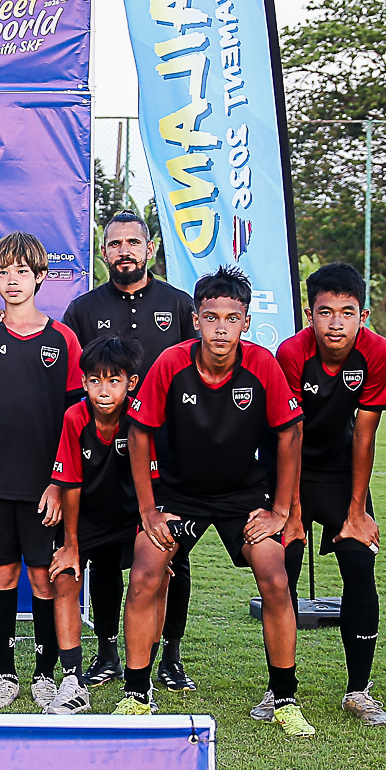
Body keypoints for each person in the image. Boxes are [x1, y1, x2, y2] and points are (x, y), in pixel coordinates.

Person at [122, 266, 310, 735]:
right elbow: (139, 433)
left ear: (246, 322)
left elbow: (291, 433)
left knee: (275, 578)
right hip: (178, 495)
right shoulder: (171, 362)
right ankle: (137, 694)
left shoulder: (261, 364)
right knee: (144, 575)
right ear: (196, 320)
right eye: (211, 317)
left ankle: (285, 698)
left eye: (231, 318)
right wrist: (148, 510)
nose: (220, 328)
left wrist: (281, 511)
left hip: (242, 497)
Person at [63, 211, 198, 689]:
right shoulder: (83, 309)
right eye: (115, 244)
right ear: (104, 252)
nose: (125, 251)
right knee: (103, 557)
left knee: (171, 554)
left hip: (167, 458)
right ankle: (106, 653)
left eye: (133, 242)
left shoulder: (179, 305)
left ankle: (170, 656)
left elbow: (196, 377)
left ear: (149, 249)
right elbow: (72, 385)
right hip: (103, 457)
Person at [0, 232, 84, 711]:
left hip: (44, 487)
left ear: (40, 277)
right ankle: (5, 675)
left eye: (22, 272)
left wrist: (58, 482)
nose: (13, 280)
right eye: (4, 272)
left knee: (43, 576)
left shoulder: (62, 339)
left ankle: (44, 675)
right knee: (2, 574)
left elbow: (74, 418)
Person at [275, 262, 386, 726]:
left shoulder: (377, 351)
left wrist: (356, 511)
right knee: (281, 570)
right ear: (310, 315)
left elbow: (364, 435)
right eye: (325, 312)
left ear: (363, 316)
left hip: (343, 474)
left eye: (347, 313)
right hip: (290, 471)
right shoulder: (291, 352)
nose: (336, 323)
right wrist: (292, 513)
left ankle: (358, 691)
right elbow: (289, 434)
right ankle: (279, 690)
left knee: (359, 564)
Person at [45, 336, 145, 714]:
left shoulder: (141, 414)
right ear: (84, 381)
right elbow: (70, 484)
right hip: (84, 515)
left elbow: (153, 479)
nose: (104, 390)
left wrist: (151, 533)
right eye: (95, 381)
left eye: (114, 381)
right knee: (64, 576)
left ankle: (141, 673)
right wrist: (70, 544)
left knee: (154, 575)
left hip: (131, 516)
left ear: (130, 383)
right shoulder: (76, 416)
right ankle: (71, 678)